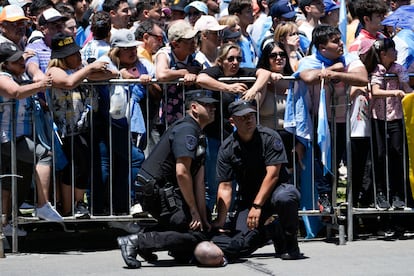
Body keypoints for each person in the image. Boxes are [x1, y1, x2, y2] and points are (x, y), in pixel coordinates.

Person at [289, 24, 368, 214]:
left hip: (344, 122)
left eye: (340, 39)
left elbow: (363, 78)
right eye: (335, 41)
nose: (341, 43)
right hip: (320, 123)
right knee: (321, 163)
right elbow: (307, 76)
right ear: (322, 48)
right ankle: (324, 200)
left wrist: (334, 74)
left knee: (344, 165)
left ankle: (344, 205)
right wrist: (335, 68)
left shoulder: (348, 57)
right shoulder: (311, 60)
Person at [213, 100, 302, 260]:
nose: (249, 120)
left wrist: (257, 205)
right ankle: (273, 231)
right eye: (243, 117)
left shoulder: (269, 137)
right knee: (239, 247)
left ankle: (290, 242)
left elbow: (273, 175)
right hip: (248, 198)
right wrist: (219, 222)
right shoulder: (227, 148)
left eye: (251, 115)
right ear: (232, 121)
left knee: (286, 197)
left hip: (276, 191)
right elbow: (225, 187)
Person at [196, 43, 274, 211]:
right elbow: (200, 79)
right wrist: (228, 87)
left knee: (232, 182)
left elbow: (265, 72)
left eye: (239, 59)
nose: (235, 63)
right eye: (230, 59)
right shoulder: (216, 72)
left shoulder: (242, 73)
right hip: (215, 136)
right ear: (221, 61)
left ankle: (228, 219)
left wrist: (254, 89)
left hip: (236, 140)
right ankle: (208, 220)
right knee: (213, 181)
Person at [46, 33, 109, 218]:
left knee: (82, 167)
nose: (78, 57)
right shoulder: (54, 71)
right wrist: (90, 69)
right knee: (71, 167)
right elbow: (68, 83)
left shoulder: (80, 70)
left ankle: (77, 204)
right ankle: (68, 208)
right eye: (74, 54)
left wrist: (92, 69)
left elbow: (112, 73)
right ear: (63, 57)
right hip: (63, 129)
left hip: (82, 127)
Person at [89, 28, 152, 215]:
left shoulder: (141, 64)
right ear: (116, 50)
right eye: (127, 48)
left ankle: (117, 207)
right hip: (104, 122)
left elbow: (161, 74)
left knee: (119, 164)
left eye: (134, 47)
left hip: (123, 124)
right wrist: (118, 75)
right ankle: (121, 204)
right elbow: (89, 74)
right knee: (131, 159)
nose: (132, 51)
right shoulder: (105, 62)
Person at [136, 90, 217, 232]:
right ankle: (139, 241)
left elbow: (199, 181)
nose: (213, 108)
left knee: (203, 227)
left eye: (213, 105)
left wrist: (203, 217)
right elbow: (182, 172)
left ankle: (154, 236)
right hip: (154, 190)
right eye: (207, 105)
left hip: (166, 189)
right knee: (191, 227)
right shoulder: (187, 130)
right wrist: (193, 210)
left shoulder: (199, 133)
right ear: (194, 108)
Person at [0, 42, 59, 229]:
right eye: (15, 61)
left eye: (20, 58)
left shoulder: (17, 72)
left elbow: (28, 67)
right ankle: (42, 205)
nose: (20, 62)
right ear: (5, 64)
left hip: (18, 136)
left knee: (15, 181)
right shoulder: (2, 77)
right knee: (43, 155)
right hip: (6, 138)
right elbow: (15, 92)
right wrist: (40, 85)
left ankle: (6, 223)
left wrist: (27, 62)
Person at [365, 38, 413, 209]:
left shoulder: (398, 68)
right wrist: (395, 91)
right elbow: (375, 91)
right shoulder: (377, 69)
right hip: (378, 117)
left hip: (396, 117)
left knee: (397, 154)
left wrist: (405, 88)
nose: (396, 51)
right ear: (383, 53)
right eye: (392, 49)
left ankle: (398, 194)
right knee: (379, 156)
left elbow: (406, 87)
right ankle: (380, 193)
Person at [154, 19, 201, 125]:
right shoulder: (164, 54)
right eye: (189, 41)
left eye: (194, 39)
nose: (194, 43)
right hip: (166, 115)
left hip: (188, 113)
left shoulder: (194, 57)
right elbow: (161, 75)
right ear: (175, 44)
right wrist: (184, 72)